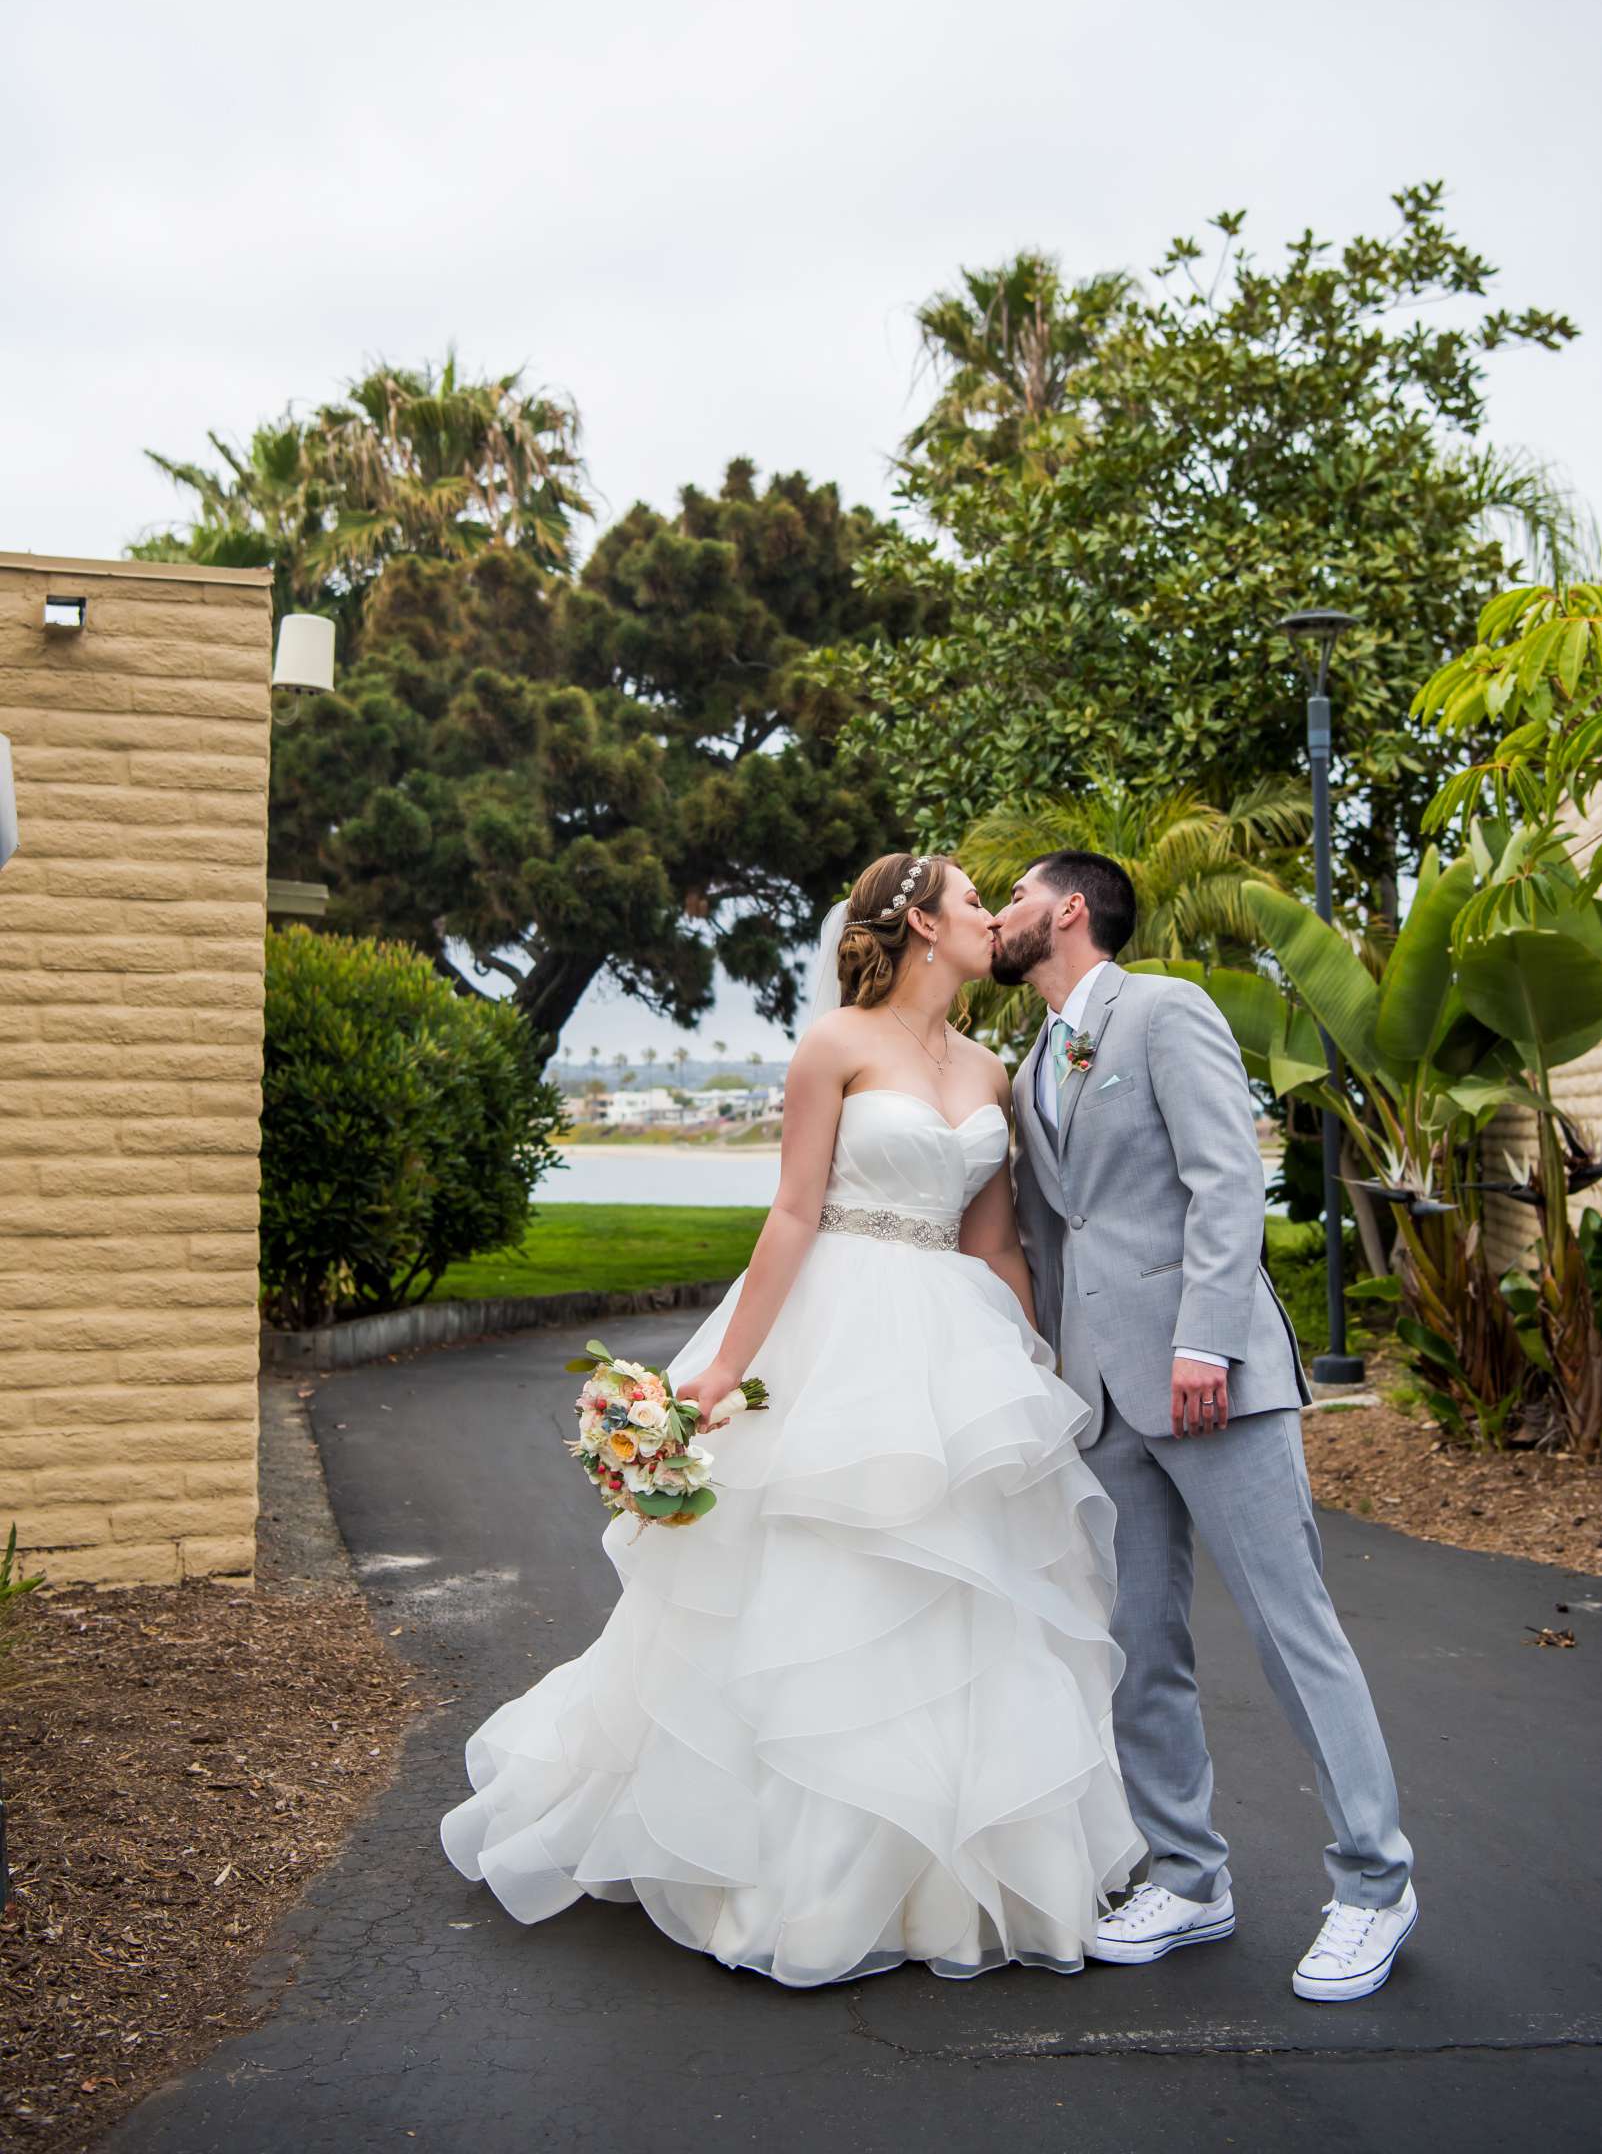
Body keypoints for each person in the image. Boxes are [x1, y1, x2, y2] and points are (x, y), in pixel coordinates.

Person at [441, 851, 1145, 1988]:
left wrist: (1039, 1368)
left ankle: (948, 1875)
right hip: (842, 1320)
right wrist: (720, 1371)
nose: (988, 920)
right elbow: (791, 1213)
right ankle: (798, 1871)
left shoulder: (992, 1066)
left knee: (965, 1591)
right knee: (824, 1581)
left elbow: (996, 1239)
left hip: (957, 1340)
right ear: (922, 923)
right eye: (972, 902)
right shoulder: (835, 1046)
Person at [994, 848, 1417, 2003]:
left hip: (1209, 1377)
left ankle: (1375, 1883)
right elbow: (1049, 1236)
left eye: (1013, 898)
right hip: (1103, 1397)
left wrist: (1203, 1344)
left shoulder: (1163, 1010)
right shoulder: (1033, 1058)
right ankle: (1189, 1875)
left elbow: (1229, 1180)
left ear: (1070, 911)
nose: (994, 915)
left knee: (1293, 1632)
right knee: (1138, 1642)